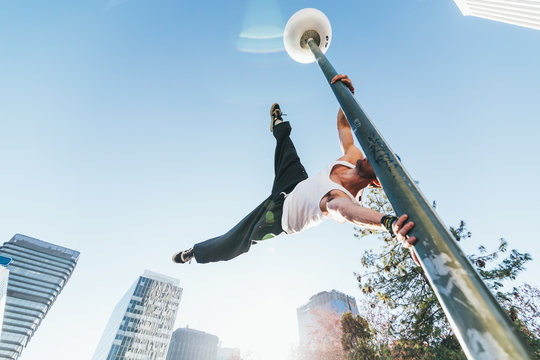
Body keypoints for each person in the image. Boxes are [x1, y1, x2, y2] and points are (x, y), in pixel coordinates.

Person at [173, 75, 419, 265]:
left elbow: (348, 212)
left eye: (375, 162)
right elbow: (344, 127)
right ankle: (278, 124)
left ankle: (194, 252)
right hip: (292, 185)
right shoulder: (352, 157)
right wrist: (347, 94)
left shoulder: (341, 198)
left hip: (278, 218)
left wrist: (388, 223)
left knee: (235, 241)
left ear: (376, 182)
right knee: (287, 149)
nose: (368, 156)